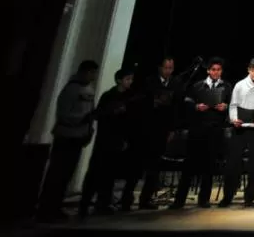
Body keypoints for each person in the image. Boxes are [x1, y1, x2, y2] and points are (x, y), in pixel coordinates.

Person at [36, 59, 99, 221]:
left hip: (78, 137)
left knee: (66, 175)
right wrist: (82, 118)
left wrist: (89, 128)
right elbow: (63, 114)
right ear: (84, 72)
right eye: (91, 73)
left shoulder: (89, 89)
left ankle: (55, 207)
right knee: (57, 174)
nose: (93, 76)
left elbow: (90, 111)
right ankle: (46, 209)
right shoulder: (71, 89)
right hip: (66, 137)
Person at [171, 57, 231, 209]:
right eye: (213, 69)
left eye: (219, 70)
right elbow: (187, 103)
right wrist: (197, 107)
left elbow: (232, 105)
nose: (216, 72)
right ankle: (179, 200)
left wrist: (225, 107)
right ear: (208, 70)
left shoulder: (226, 87)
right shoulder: (197, 86)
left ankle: (204, 199)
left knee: (209, 167)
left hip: (215, 130)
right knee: (189, 166)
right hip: (197, 129)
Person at [79, 67, 135, 216]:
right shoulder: (108, 96)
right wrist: (113, 112)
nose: (130, 82)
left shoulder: (129, 97)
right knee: (96, 172)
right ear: (119, 80)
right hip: (105, 139)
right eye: (128, 79)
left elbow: (129, 120)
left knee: (110, 174)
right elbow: (99, 114)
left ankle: (103, 203)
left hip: (118, 139)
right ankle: (85, 203)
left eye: (131, 79)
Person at [124, 56, 176, 210]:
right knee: (136, 167)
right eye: (166, 68)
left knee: (154, 167)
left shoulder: (174, 84)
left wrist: (171, 129)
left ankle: (145, 199)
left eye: (171, 68)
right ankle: (126, 199)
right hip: (144, 130)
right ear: (160, 68)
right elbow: (136, 104)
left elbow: (174, 109)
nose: (168, 71)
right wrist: (152, 103)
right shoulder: (148, 82)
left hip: (161, 131)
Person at [220, 57, 254, 207]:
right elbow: (233, 105)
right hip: (240, 128)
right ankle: (227, 197)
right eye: (252, 70)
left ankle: (249, 197)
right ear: (248, 70)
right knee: (232, 163)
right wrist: (234, 119)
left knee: (253, 165)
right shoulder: (240, 85)